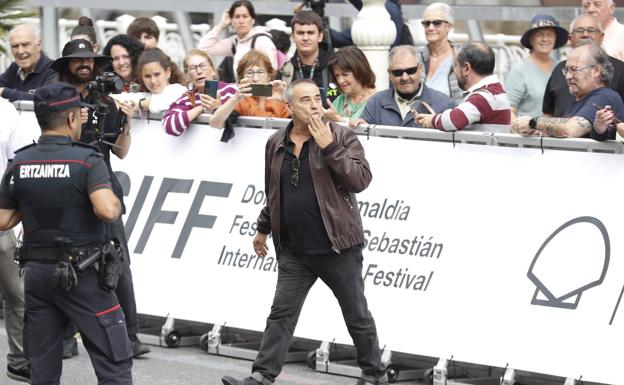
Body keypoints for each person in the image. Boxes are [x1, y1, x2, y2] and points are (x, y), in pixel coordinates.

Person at [221, 79, 388, 385]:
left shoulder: (340, 136)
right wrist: (262, 229)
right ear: (290, 107)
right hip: (295, 251)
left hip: (337, 246)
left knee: (356, 316)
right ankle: (261, 376)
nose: (314, 105)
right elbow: (275, 192)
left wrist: (330, 147)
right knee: (280, 315)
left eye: (316, 99)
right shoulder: (275, 142)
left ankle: (374, 375)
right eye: (305, 100)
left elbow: (361, 181)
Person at [0, 82, 133, 385]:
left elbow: (3, 219)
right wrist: (111, 197)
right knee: (114, 361)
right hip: (83, 274)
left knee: (43, 367)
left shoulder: (20, 162)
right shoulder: (86, 160)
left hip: (37, 275)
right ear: (73, 119)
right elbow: (106, 210)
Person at [51, 39, 151, 358]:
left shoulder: (106, 103)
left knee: (117, 261)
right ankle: (66, 337)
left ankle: (131, 336)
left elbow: (120, 152)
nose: (84, 63)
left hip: (105, 192)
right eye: (77, 59)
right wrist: (74, 124)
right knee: (69, 264)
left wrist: (127, 123)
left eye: (89, 59)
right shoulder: (56, 102)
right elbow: (52, 145)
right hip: (68, 193)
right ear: (67, 65)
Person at [513, 43, 624, 140]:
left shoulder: (603, 96)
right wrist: (537, 131)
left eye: (574, 70)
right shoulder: (584, 99)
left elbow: (569, 130)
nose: (568, 76)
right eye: (566, 70)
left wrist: (533, 123)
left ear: (596, 71)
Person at [0, 99, 35, 383]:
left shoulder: (5, 110)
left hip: (0, 221)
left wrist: (20, 213)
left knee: (18, 294)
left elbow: (20, 161)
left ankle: (19, 360)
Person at [416, 42, 511, 133]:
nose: (455, 71)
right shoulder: (495, 91)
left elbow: (453, 121)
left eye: (456, 65)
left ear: (466, 68)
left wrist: (432, 120)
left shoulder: (482, 98)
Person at [352, 45, 455, 128]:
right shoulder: (376, 103)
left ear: (420, 69)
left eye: (411, 71)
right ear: (389, 73)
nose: (405, 77)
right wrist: (361, 127)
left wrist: (436, 124)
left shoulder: (444, 104)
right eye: (398, 72)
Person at [542, 14, 624, 118]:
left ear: (602, 36)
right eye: (579, 30)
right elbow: (548, 113)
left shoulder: (620, 70)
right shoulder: (559, 69)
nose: (585, 34)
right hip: (557, 132)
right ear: (570, 38)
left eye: (591, 30)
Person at [209, 50, 289, 133]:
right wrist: (235, 99)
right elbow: (215, 123)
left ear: (268, 76)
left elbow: (301, 126)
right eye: (249, 73)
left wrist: (286, 100)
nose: (255, 79)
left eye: (260, 72)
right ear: (242, 77)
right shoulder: (240, 100)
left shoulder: (279, 94)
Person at [505, 15, 568, 118]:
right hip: (528, 132)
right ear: (531, 40)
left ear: (555, 39)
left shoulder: (562, 68)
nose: (545, 39)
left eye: (550, 35)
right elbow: (508, 110)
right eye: (540, 35)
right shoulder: (519, 70)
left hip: (557, 131)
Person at [198, 0, 278, 81]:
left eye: (245, 16)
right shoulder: (235, 42)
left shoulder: (262, 40)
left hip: (259, 90)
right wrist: (222, 25)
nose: (241, 21)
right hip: (241, 90)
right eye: (237, 17)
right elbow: (203, 48)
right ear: (231, 20)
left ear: (253, 19)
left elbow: (272, 72)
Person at [163, 49, 227, 136]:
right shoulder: (187, 98)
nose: (199, 71)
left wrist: (219, 109)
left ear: (212, 69)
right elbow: (169, 127)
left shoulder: (230, 90)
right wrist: (203, 107)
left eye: (203, 65)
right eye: (192, 68)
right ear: (188, 75)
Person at [278, 11, 333, 92]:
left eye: (310, 33)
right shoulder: (284, 73)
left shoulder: (336, 67)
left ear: (320, 36)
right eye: (300, 33)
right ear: (293, 36)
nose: (305, 38)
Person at [419, 3, 463, 103]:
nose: (430, 27)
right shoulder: (417, 57)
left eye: (437, 23)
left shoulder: (462, 57)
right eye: (426, 23)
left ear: (449, 26)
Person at [0, 23, 54, 101]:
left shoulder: (54, 70)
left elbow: (45, 99)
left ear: (38, 45)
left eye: (25, 45)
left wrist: (5, 92)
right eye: (15, 46)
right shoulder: (14, 68)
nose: (20, 51)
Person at [323, 46, 376, 123]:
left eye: (345, 74)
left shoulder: (378, 101)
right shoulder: (339, 101)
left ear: (360, 71)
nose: (340, 81)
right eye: (337, 76)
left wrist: (337, 120)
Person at [136, 48, 187, 114]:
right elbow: (120, 99)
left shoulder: (180, 91)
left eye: (157, 74)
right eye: (147, 76)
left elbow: (173, 104)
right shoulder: (144, 96)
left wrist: (141, 104)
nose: (153, 81)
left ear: (167, 72)